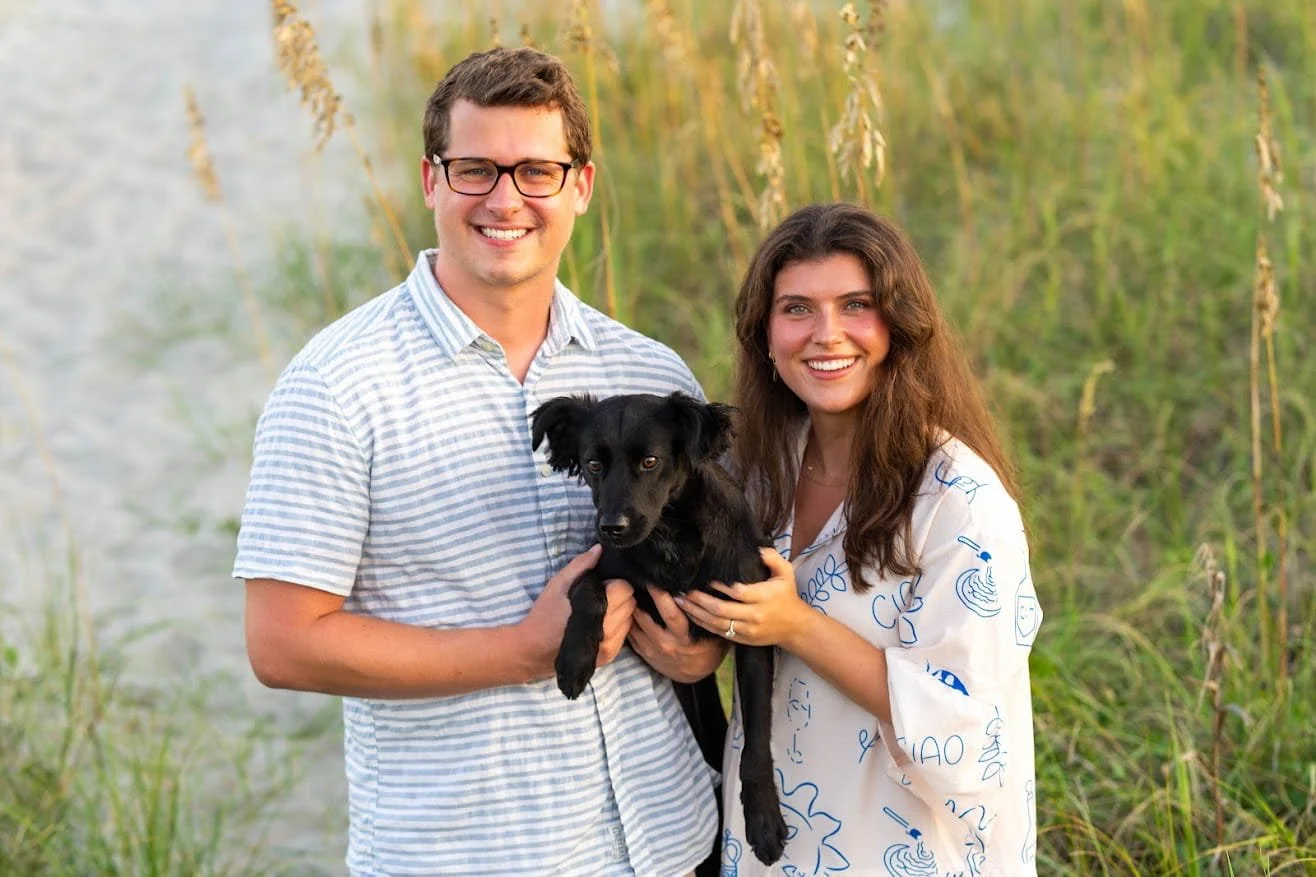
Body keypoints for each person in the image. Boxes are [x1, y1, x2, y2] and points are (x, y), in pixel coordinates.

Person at [233, 47, 726, 877]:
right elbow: (282, 645)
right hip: (471, 855)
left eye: (537, 170)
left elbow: (702, 578)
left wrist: (700, 651)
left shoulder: (650, 374)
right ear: (431, 181)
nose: (505, 200)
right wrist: (519, 649)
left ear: (582, 185)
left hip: (675, 840)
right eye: (474, 169)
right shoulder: (336, 385)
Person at [679, 202, 1043, 876]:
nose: (826, 334)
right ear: (763, 332)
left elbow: (972, 732)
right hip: (770, 845)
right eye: (796, 309)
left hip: (900, 851)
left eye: (856, 305)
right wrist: (690, 648)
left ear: (899, 326)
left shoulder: (957, 499)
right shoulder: (753, 472)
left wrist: (795, 624)